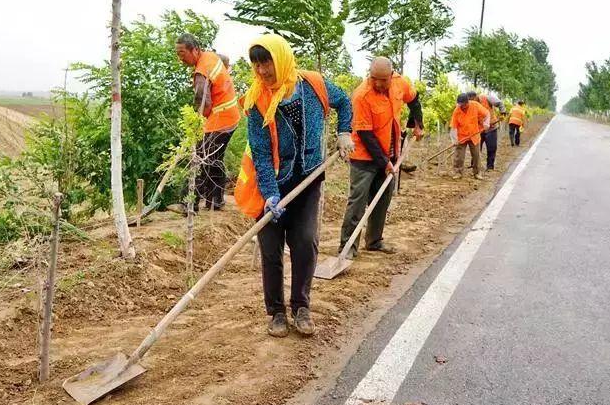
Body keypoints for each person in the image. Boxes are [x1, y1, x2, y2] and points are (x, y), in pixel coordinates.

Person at [235, 34, 353, 338]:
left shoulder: (313, 84)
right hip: (271, 181)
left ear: (282, 59)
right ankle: (276, 312)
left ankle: (301, 306)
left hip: (310, 178)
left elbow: (344, 102)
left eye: (267, 62)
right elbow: (261, 152)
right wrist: (271, 193)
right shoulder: (256, 100)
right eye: (256, 64)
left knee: (305, 242)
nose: (261, 70)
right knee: (271, 250)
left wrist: (344, 132)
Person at [339, 57, 423, 258]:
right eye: (374, 78)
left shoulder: (400, 83)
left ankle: (374, 241)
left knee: (382, 199)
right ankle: (347, 247)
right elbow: (366, 135)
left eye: (383, 80)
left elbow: (414, 100)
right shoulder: (361, 95)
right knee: (358, 201)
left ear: (391, 76)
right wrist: (384, 162)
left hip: (390, 151)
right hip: (364, 156)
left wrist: (417, 123)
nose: (378, 83)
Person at [174, 33, 240, 211]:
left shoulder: (201, 73)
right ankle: (216, 200)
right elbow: (224, 61)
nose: (180, 58)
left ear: (194, 50)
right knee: (214, 159)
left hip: (221, 119)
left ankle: (188, 203)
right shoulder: (210, 56)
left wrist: (198, 125)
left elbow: (203, 100)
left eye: (182, 53)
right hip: (231, 115)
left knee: (202, 158)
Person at [450, 93, 489, 180]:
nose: (461, 106)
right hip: (462, 137)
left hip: (474, 135)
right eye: (459, 104)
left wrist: (486, 123)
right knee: (459, 156)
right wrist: (454, 139)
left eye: (462, 105)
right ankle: (458, 172)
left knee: (476, 155)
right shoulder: (457, 110)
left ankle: (477, 173)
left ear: (467, 102)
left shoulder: (475, 105)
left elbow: (487, 114)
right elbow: (453, 127)